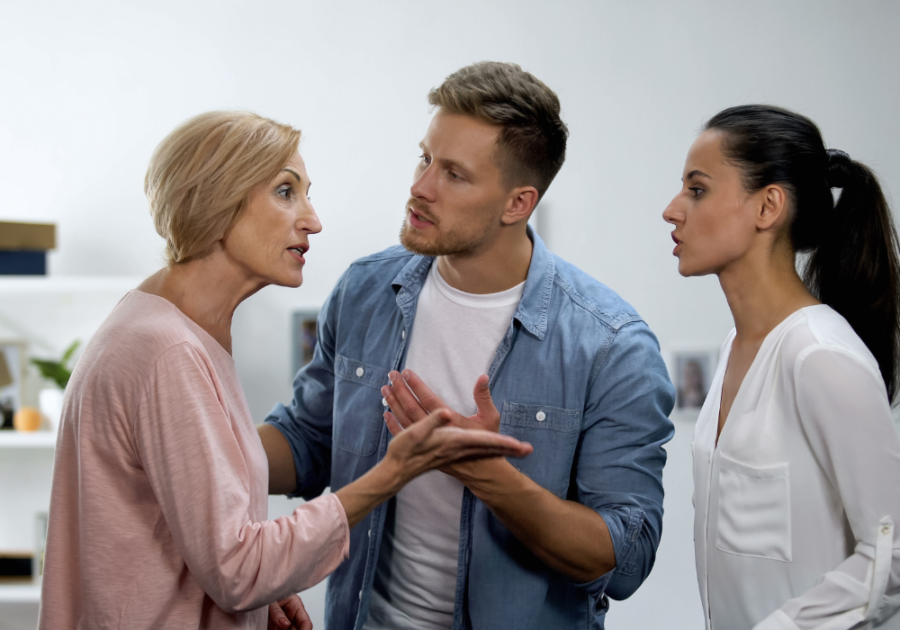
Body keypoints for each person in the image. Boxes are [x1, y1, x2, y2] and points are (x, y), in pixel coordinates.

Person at [38, 111, 532, 630]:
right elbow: (236, 567)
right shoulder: (167, 352)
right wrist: (396, 469)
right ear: (216, 202)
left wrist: (257, 596)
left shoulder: (171, 327)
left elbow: (189, 526)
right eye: (284, 191)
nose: (312, 220)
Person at [260, 61, 675, 630]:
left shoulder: (612, 347)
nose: (420, 186)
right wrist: (194, 450)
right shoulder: (365, 291)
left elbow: (625, 559)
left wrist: (488, 476)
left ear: (517, 203)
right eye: (425, 157)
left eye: (454, 174)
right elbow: (307, 442)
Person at [663, 104, 900, 629]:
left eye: (697, 189)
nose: (672, 210)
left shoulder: (820, 356)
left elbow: (892, 555)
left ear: (768, 206)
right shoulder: (733, 348)